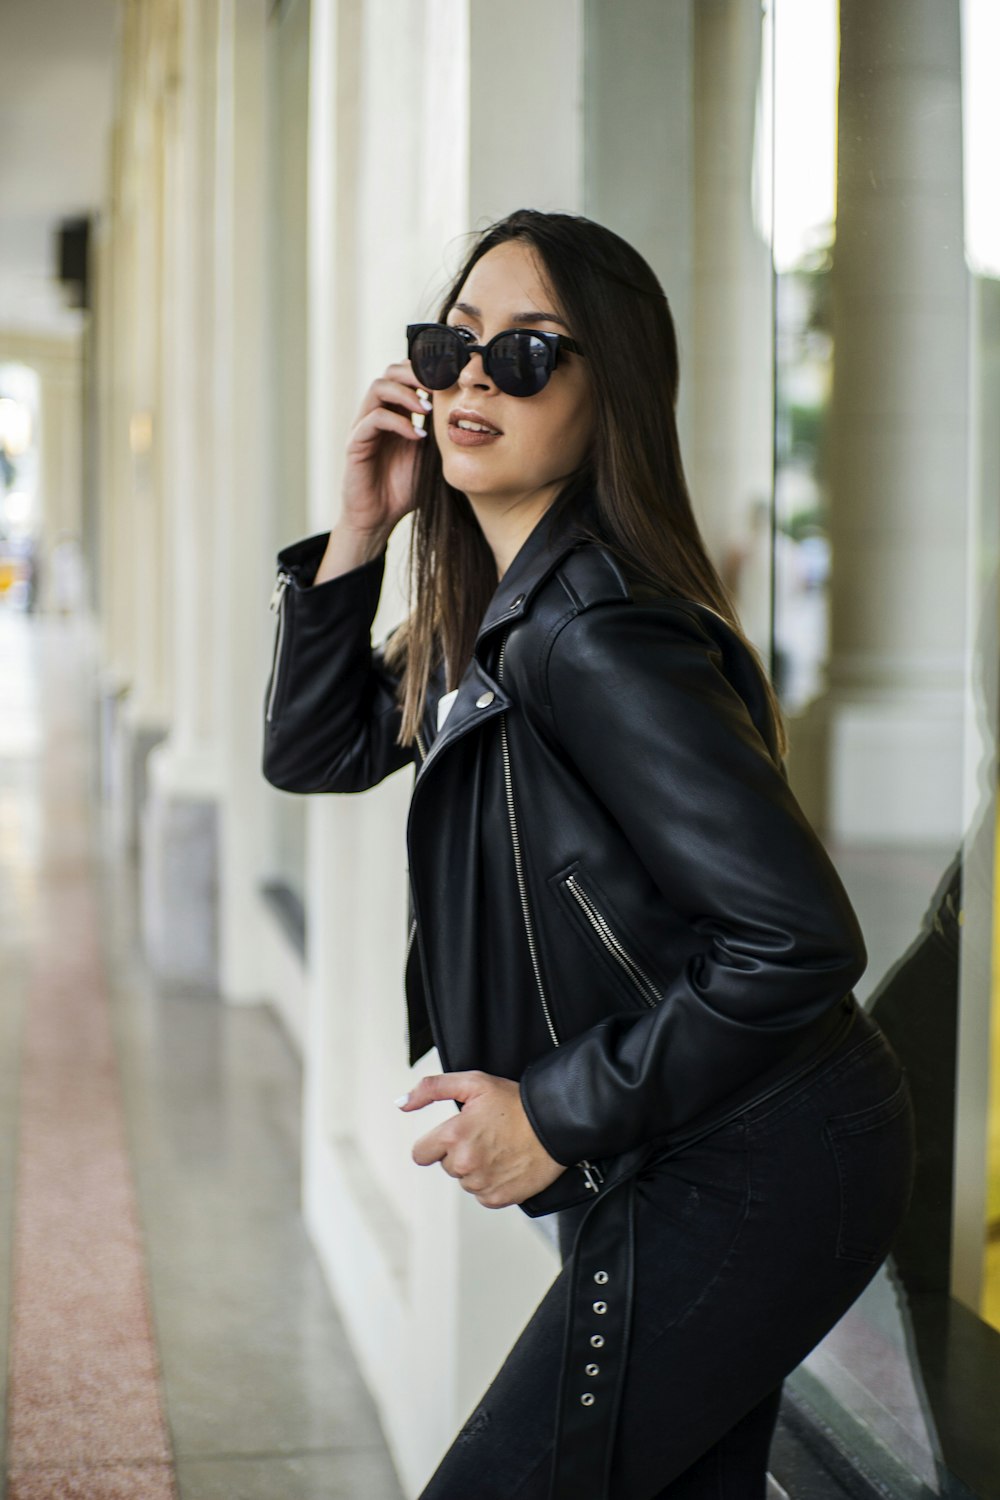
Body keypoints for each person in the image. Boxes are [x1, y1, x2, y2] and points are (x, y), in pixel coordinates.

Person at [261, 209, 915, 1500]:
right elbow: (315, 746)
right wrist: (361, 533)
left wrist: (552, 1113)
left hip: (762, 1159)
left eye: (525, 353)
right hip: (689, 1141)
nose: (470, 378)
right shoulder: (493, 618)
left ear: (610, 389)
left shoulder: (593, 638)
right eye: (453, 344)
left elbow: (797, 938)